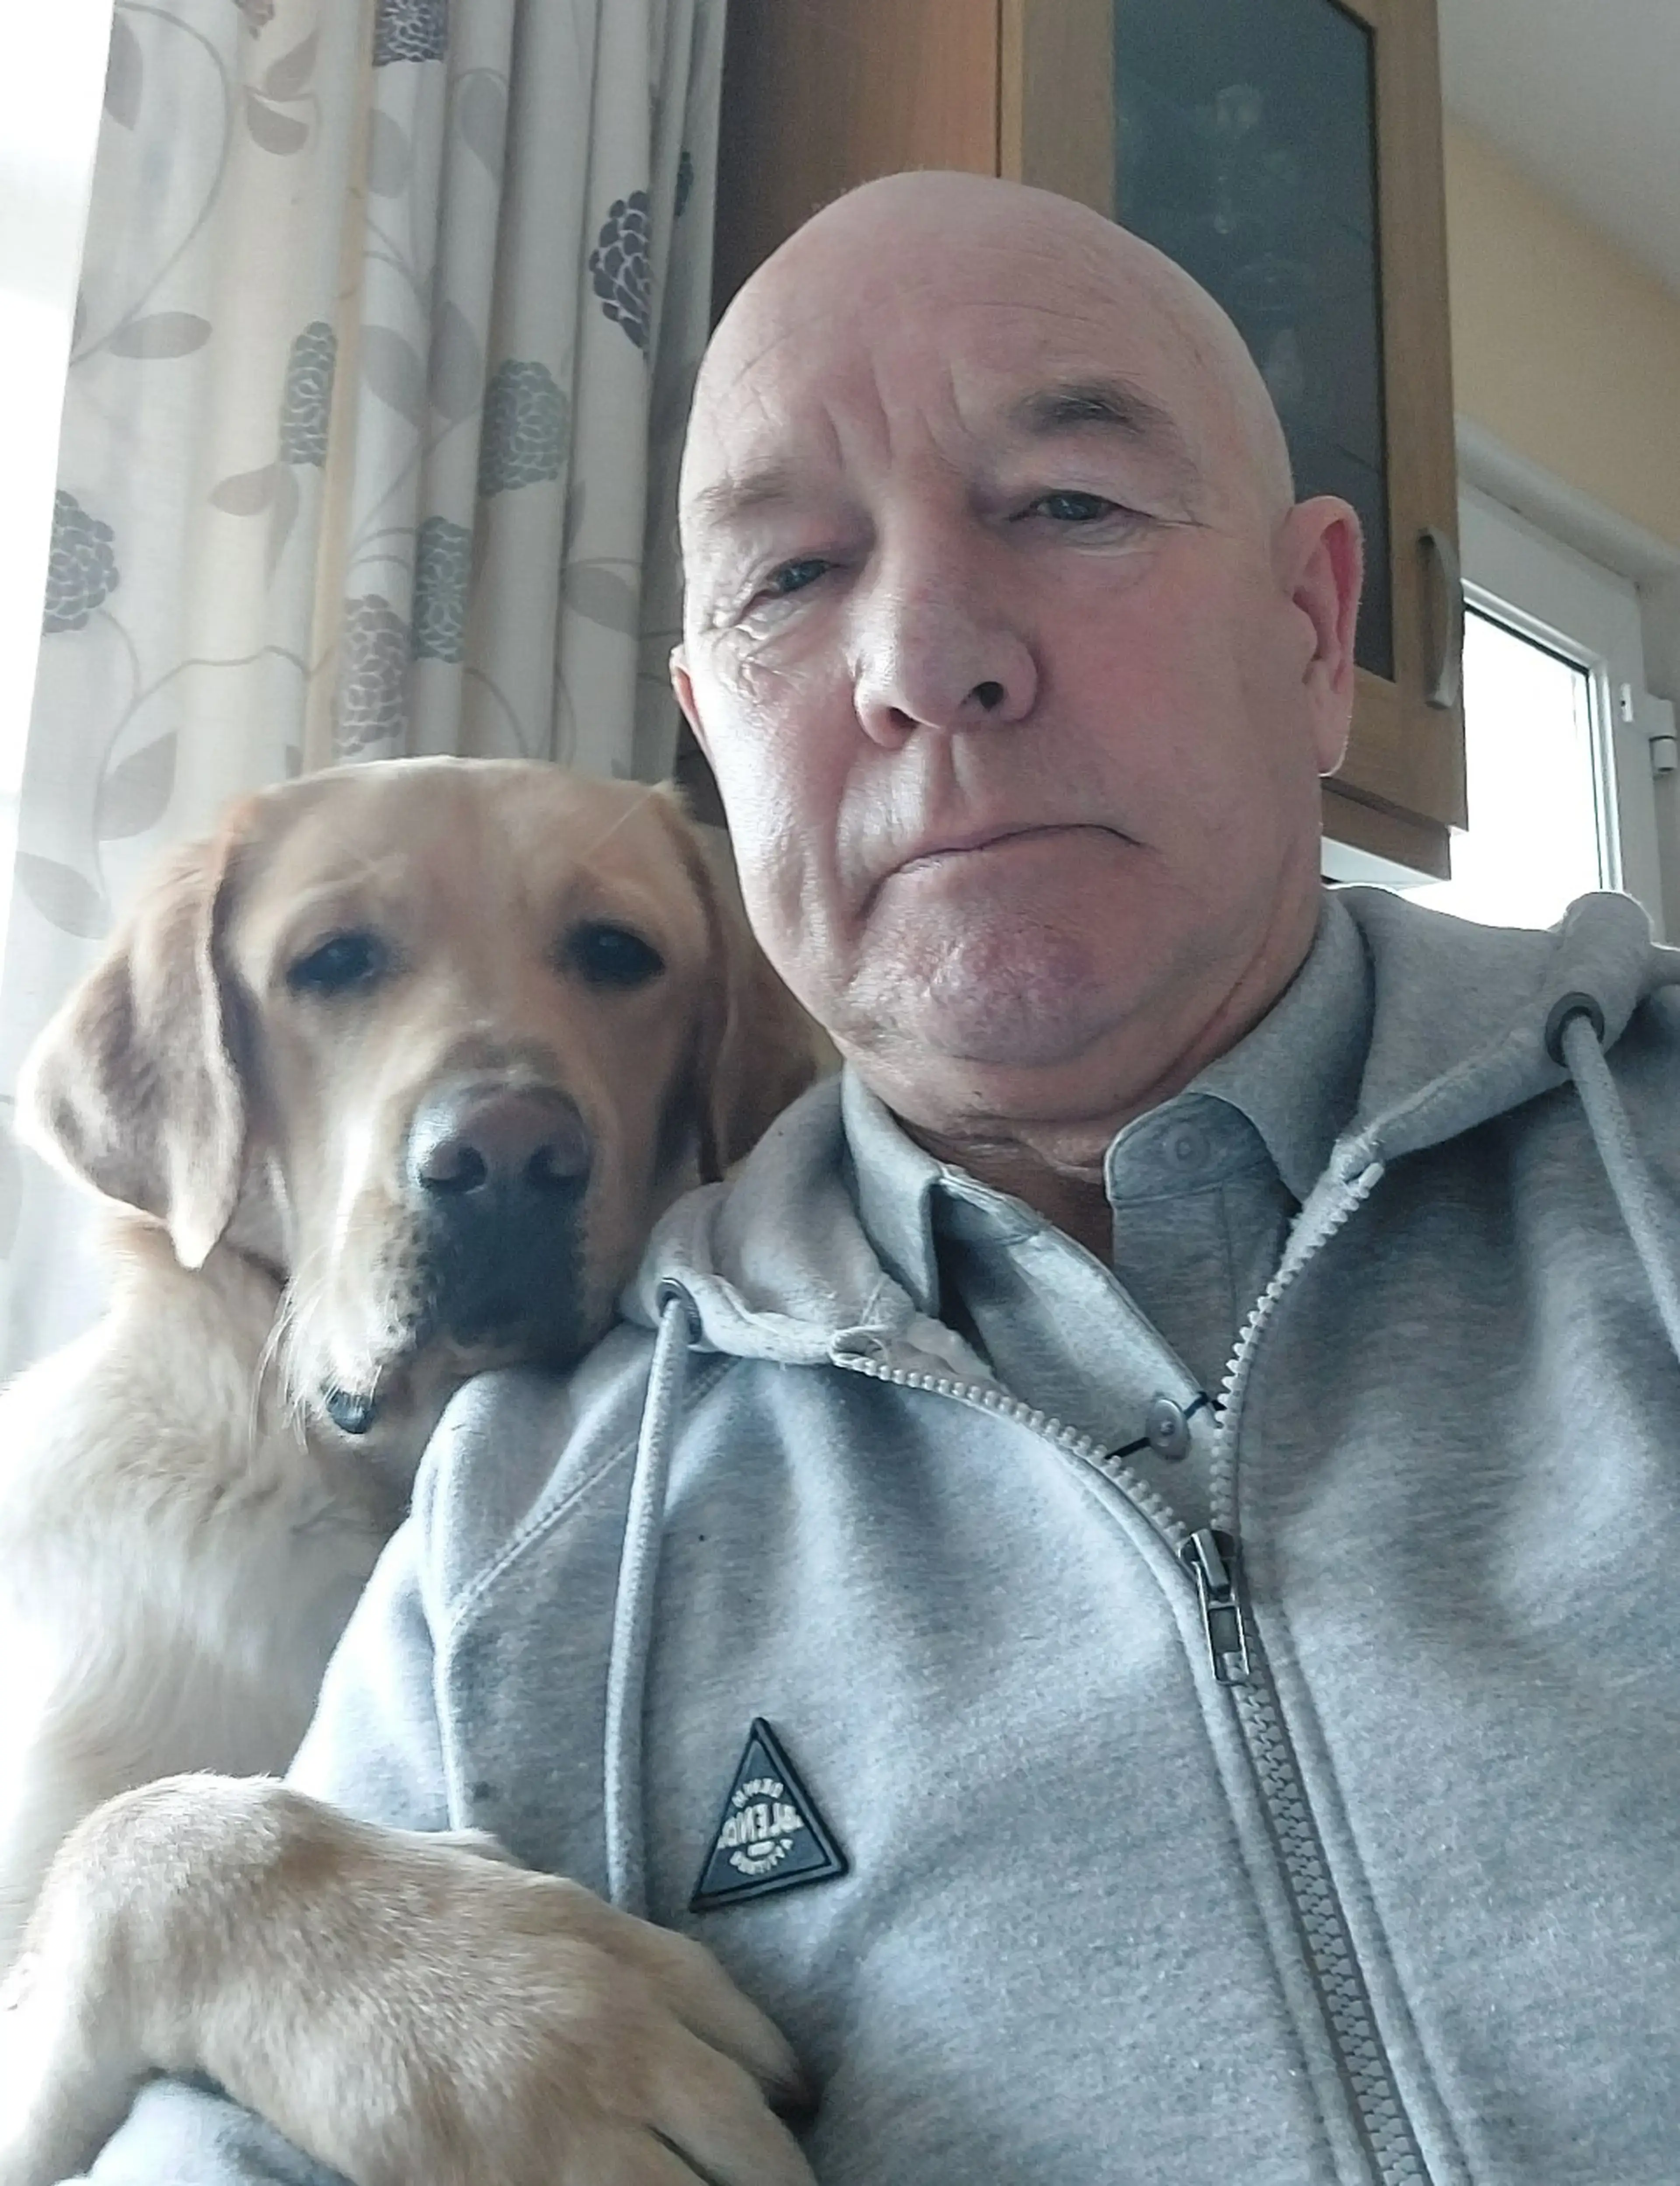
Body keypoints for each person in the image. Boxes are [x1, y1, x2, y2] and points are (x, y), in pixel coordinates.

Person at [75, 171, 1680, 2184]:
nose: (925, 658)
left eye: (1070, 504)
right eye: (793, 578)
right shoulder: (519, 1528)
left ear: (1312, 622)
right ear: (715, 738)